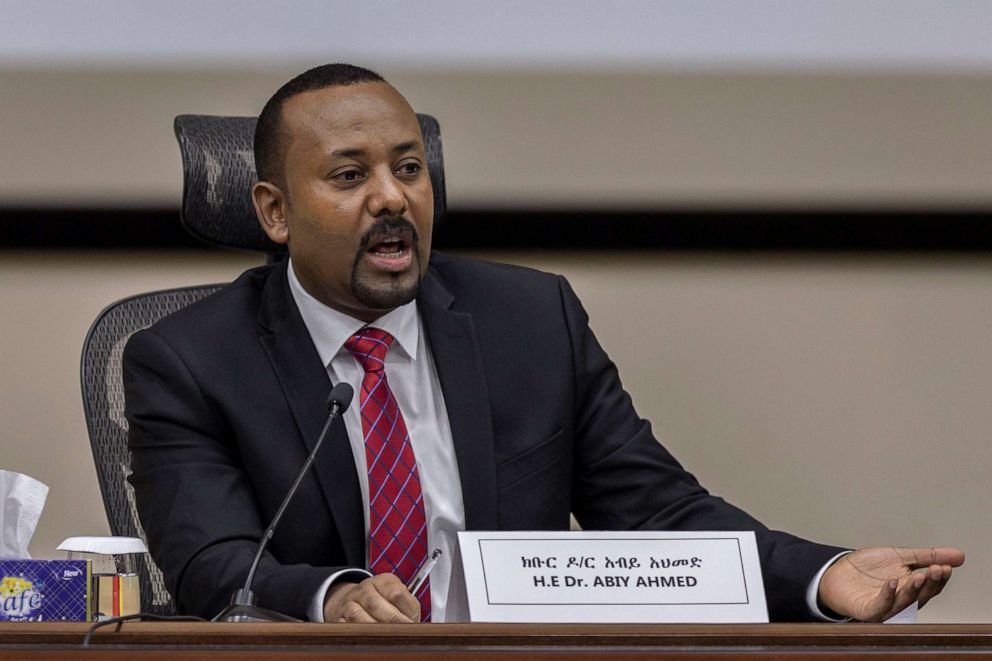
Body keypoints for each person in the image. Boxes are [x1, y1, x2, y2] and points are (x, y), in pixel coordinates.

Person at [123, 63, 963, 624]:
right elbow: (212, 561)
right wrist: (333, 594)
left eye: (410, 169)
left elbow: (656, 514)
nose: (392, 198)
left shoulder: (530, 319)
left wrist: (822, 576)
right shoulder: (190, 360)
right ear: (274, 211)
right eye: (350, 176)